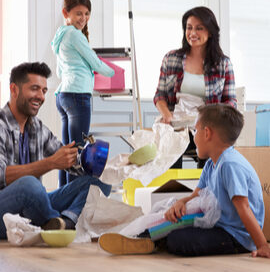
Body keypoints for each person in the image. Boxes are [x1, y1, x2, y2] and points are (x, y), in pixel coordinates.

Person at [98, 104, 270, 259]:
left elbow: (244, 207)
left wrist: (262, 245)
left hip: (236, 237)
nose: (193, 138)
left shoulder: (230, 165)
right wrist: (181, 202)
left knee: (178, 240)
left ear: (207, 133)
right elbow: (196, 194)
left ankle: (149, 240)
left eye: (195, 131)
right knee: (169, 214)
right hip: (220, 226)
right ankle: (141, 236)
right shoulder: (212, 163)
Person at [0, 62, 111, 239]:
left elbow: (67, 158)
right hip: (4, 210)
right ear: (14, 89)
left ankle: (63, 223)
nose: (40, 96)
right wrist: (51, 163)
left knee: (100, 182)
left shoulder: (36, 127)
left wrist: (96, 161)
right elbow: (1, 175)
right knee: (31, 185)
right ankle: (54, 220)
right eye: (34, 89)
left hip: (33, 207)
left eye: (44, 91)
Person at [153, 6, 237, 168]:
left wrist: (214, 118)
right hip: (176, 125)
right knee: (168, 151)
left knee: (209, 163)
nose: (192, 33)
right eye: (189, 27)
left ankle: (206, 190)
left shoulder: (223, 64)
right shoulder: (171, 58)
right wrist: (166, 115)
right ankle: (172, 192)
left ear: (210, 32)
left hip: (206, 127)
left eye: (199, 28)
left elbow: (230, 101)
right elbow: (160, 95)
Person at [52, 0, 115, 186]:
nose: (84, 18)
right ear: (66, 13)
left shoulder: (61, 36)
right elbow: (96, 63)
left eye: (87, 13)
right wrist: (113, 72)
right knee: (78, 153)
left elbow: (59, 71)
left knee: (67, 152)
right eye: (79, 13)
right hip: (78, 96)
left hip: (63, 95)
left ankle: (61, 198)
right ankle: (73, 204)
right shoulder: (74, 34)